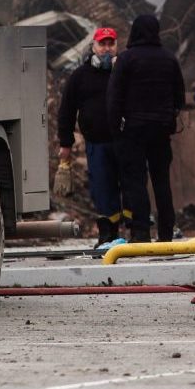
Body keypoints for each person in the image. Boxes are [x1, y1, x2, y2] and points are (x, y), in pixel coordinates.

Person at [106, 14, 185, 243]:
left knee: (136, 182)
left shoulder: (126, 59)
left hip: (133, 131)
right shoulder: (169, 59)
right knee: (162, 181)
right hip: (161, 131)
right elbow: (179, 96)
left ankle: (140, 232)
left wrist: (116, 130)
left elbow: (114, 98)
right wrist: (169, 117)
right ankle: (166, 232)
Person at [53, 27, 127, 248]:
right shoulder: (80, 76)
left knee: (131, 187)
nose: (106, 49)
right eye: (102, 44)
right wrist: (65, 144)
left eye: (110, 44)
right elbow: (66, 111)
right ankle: (108, 234)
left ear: (116, 46)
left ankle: (137, 232)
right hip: (98, 143)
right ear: (93, 47)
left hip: (126, 141)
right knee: (103, 188)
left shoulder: (124, 72)